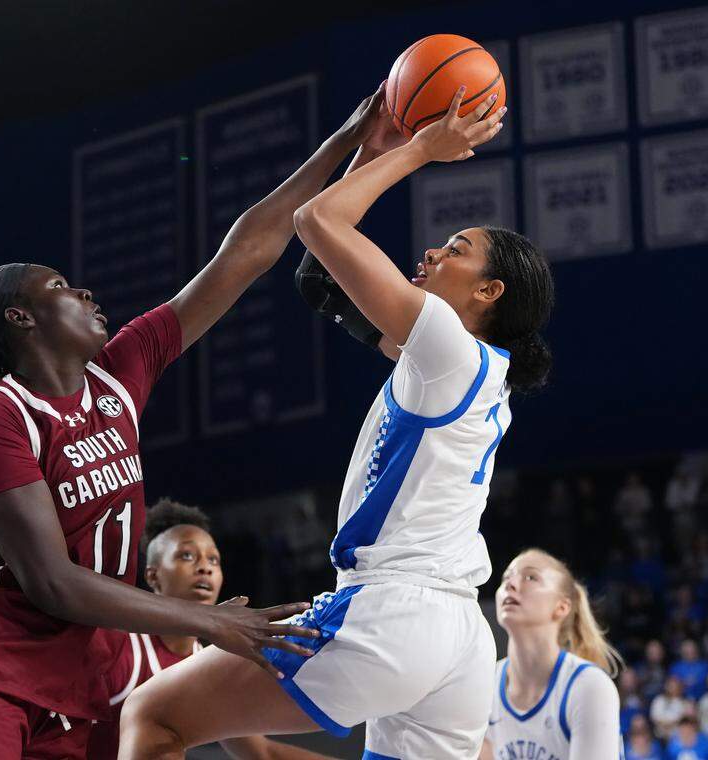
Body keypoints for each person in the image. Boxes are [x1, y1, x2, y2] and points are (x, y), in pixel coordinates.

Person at [0, 85, 393, 759]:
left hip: (75, 684)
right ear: (22, 318)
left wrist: (347, 140)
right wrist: (209, 622)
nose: (85, 292)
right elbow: (53, 582)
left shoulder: (120, 375)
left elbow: (244, 253)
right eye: (61, 288)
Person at [120, 84, 538, 760]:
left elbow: (317, 219)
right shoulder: (461, 367)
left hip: (395, 610)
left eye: (454, 250)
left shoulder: (446, 346)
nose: (430, 254)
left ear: (488, 293)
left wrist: (420, 151)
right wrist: (366, 148)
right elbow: (318, 278)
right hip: (458, 633)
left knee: (155, 714)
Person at [87, 500, 329, 759]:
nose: (205, 567)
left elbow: (262, 754)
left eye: (213, 560)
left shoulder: (205, 670)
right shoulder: (116, 641)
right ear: (153, 576)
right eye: (187, 555)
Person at [480, 549, 623, 760]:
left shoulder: (589, 686)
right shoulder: (485, 684)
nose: (510, 584)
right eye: (506, 578)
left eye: (530, 577)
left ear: (562, 607)